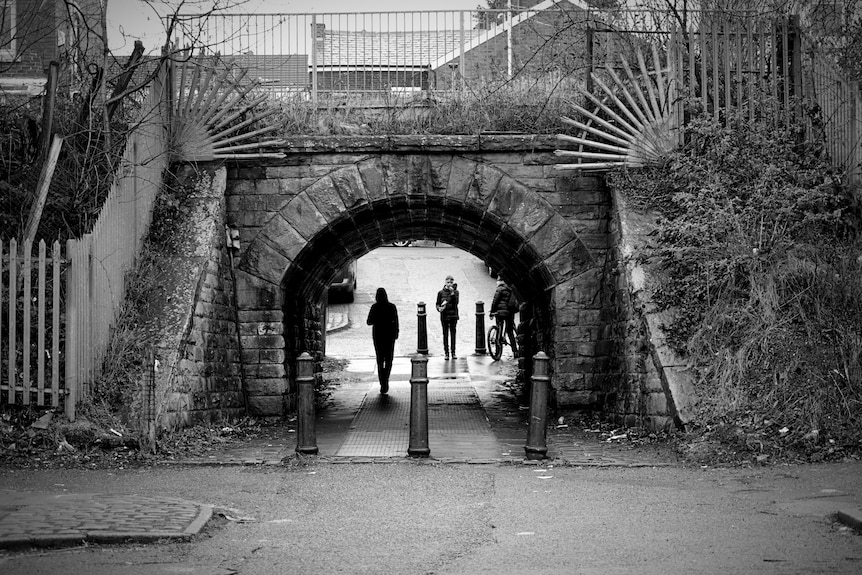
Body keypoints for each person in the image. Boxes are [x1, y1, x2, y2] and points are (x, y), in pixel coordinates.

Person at [366, 287, 399, 394]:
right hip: (389, 336)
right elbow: (396, 321)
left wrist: (377, 319)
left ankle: (382, 382)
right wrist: (395, 333)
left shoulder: (375, 307)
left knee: (380, 360)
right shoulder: (392, 307)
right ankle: (386, 379)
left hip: (378, 336)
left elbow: (369, 322)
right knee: (389, 359)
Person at [490, 279, 519, 356]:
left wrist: (492, 312)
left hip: (500, 313)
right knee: (510, 331)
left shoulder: (500, 289)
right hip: (509, 313)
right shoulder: (511, 289)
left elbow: (495, 301)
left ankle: (497, 351)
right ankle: (515, 351)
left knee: (499, 328)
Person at [435, 275, 459, 360]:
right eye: (448, 282)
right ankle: (446, 352)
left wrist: (452, 293)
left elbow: (456, 303)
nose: (449, 284)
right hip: (444, 316)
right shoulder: (440, 293)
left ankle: (453, 352)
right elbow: (437, 303)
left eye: (451, 283)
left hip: (453, 316)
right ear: (445, 283)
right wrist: (439, 308)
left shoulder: (456, 292)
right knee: (445, 334)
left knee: (453, 334)